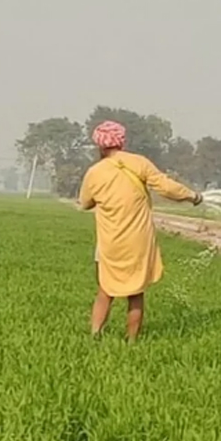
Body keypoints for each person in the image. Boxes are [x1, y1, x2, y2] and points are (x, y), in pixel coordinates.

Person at [78, 120, 203, 343]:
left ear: (99, 145)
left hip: (109, 242)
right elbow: (167, 187)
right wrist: (193, 196)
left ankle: (95, 335)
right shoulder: (139, 163)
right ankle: (132, 340)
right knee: (135, 293)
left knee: (105, 289)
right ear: (121, 141)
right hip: (138, 241)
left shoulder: (94, 172)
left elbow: (85, 203)